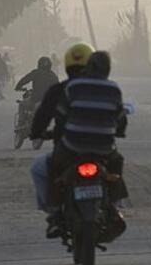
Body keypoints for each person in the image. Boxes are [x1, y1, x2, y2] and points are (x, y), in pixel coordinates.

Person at [30, 44, 129, 240]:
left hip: (72, 147)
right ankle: (114, 207)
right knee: (116, 167)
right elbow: (120, 119)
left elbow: (60, 115)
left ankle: (55, 211)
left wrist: (40, 133)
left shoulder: (72, 88)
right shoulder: (113, 89)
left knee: (45, 169)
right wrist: (116, 131)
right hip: (104, 150)